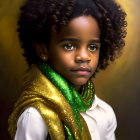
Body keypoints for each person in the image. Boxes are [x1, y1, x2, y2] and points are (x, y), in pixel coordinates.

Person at [8, 0, 127, 139]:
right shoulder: (36, 116)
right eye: (69, 46)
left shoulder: (105, 113)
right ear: (42, 49)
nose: (83, 56)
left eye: (92, 47)